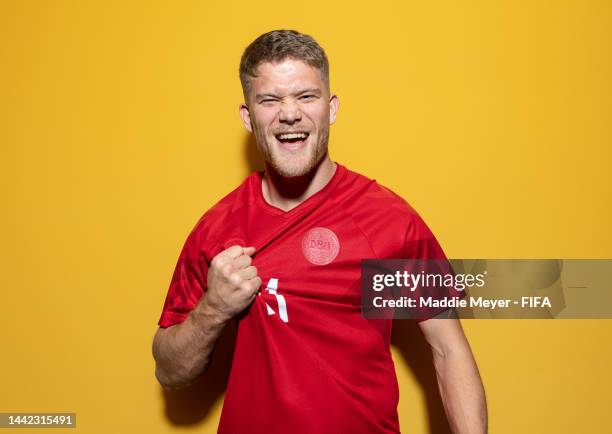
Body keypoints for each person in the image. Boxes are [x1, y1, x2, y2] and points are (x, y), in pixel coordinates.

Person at [152, 29, 487, 434]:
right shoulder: (217, 228)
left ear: (331, 108)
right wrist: (214, 308)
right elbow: (170, 371)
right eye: (270, 99)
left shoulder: (388, 221)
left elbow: (449, 350)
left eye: (306, 97)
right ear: (247, 116)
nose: (289, 114)